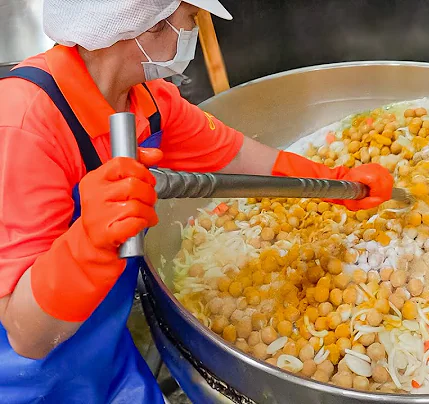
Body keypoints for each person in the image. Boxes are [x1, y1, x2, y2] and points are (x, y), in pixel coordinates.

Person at [0, 0, 394, 402]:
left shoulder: (147, 100)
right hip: (24, 381)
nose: (192, 32)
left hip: (103, 354)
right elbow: (25, 334)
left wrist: (337, 182)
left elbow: (237, 156)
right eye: (189, 20)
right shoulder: (23, 123)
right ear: (145, 26)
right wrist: (89, 242)